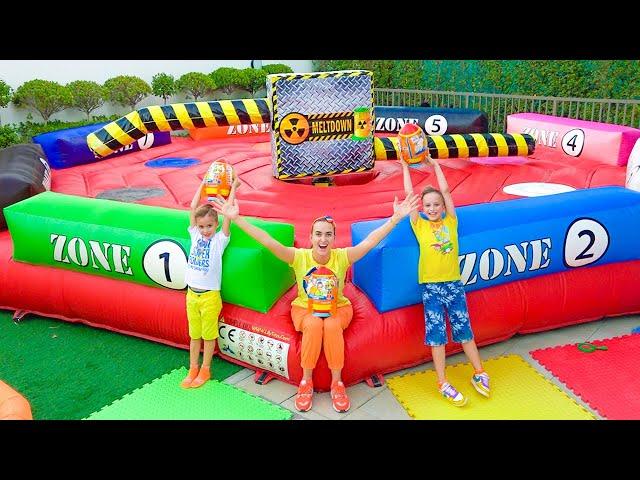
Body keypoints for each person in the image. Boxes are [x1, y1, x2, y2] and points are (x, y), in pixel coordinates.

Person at [211, 191, 419, 413]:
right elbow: (268, 241)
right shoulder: (299, 257)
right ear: (310, 238)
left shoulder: (341, 256)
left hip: (338, 308)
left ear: (333, 238)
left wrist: (396, 218)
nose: (323, 239)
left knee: (330, 325)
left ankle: (336, 383)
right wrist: (236, 218)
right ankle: (306, 382)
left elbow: (370, 241)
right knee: (312, 324)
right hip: (304, 309)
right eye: (318, 234)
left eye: (328, 235)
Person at [400, 150, 490, 407]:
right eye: (427, 205)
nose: (431, 208)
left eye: (435, 205)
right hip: (431, 287)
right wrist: (406, 167)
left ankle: (479, 371)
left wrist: (435, 165)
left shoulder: (451, 221)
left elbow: (447, 192)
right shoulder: (420, 225)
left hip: (453, 284)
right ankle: (442, 381)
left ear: (442, 207)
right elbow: (409, 198)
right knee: (437, 335)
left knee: (465, 331)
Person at [180, 176, 238, 388]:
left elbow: (228, 211)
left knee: (208, 335)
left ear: (215, 225)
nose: (205, 230)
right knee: (194, 335)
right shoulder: (195, 235)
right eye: (202, 226)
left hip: (210, 296)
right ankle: (192, 368)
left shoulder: (220, 240)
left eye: (209, 226)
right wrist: (204, 183)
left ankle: (205, 369)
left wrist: (233, 188)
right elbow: (194, 205)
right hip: (191, 295)